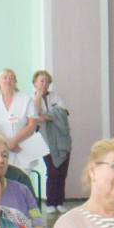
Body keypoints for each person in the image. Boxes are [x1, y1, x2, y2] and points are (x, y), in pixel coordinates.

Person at [0, 68, 46, 173]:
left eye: (11, 78)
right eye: (5, 78)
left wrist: (13, 142)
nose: (8, 80)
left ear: (15, 82)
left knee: (22, 177)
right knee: (1, 178)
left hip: (23, 147)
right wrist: (6, 144)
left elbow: (32, 125)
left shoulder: (26, 99)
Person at [32, 69, 71, 211]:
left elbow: (62, 114)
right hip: (44, 139)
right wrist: (38, 97)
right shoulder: (30, 98)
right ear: (35, 83)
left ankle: (59, 202)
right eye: (41, 81)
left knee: (62, 171)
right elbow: (36, 115)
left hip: (61, 139)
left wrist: (48, 116)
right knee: (52, 170)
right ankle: (50, 203)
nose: (44, 84)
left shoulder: (56, 97)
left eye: (47, 81)